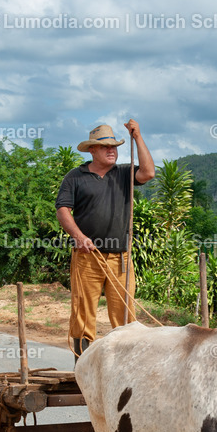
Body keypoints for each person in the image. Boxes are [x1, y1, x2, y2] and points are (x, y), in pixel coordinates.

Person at [56, 120, 155, 355]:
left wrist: (138, 137)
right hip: (87, 256)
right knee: (83, 314)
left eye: (115, 146)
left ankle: (125, 368)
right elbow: (62, 210)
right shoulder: (75, 177)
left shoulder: (123, 173)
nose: (112, 151)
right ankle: (82, 366)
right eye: (105, 147)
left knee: (125, 317)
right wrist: (79, 236)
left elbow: (149, 172)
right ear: (92, 150)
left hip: (120, 257)